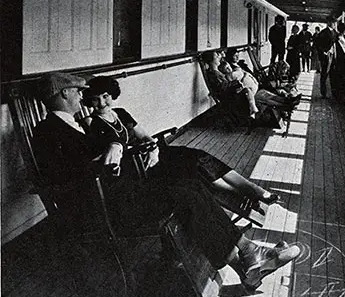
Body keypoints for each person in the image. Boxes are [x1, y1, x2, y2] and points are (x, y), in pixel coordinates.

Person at [32, 72, 300, 292]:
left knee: (191, 184)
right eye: (78, 91)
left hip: (122, 191)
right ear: (64, 93)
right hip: (106, 207)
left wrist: (116, 148)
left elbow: (98, 159)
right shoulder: (48, 131)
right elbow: (68, 177)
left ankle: (248, 260)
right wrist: (109, 153)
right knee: (185, 194)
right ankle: (248, 256)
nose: (82, 95)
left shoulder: (73, 125)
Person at [82, 76, 281, 207]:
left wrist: (154, 149)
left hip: (152, 155)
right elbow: (109, 155)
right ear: (89, 102)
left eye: (105, 96)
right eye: (95, 99)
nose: (101, 103)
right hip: (136, 166)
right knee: (195, 165)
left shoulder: (121, 113)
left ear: (112, 95)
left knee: (199, 156)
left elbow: (145, 136)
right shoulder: (94, 123)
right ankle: (249, 193)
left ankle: (250, 191)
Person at [224, 48, 301, 111]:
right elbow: (235, 81)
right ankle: (287, 105)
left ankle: (289, 101)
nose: (237, 57)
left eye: (238, 55)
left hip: (257, 86)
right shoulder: (231, 70)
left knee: (271, 95)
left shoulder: (240, 64)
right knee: (268, 99)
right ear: (230, 57)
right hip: (251, 93)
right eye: (235, 56)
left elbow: (249, 74)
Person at [315, 18, 337, 98]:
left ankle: (333, 93)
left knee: (332, 74)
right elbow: (317, 43)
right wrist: (323, 51)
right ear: (329, 23)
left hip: (333, 55)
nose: (335, 25)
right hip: (326, 56)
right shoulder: (323, 32)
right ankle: (323, 93)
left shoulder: (334, 32)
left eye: (335, 23)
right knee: (324, 74)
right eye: (334, 23)